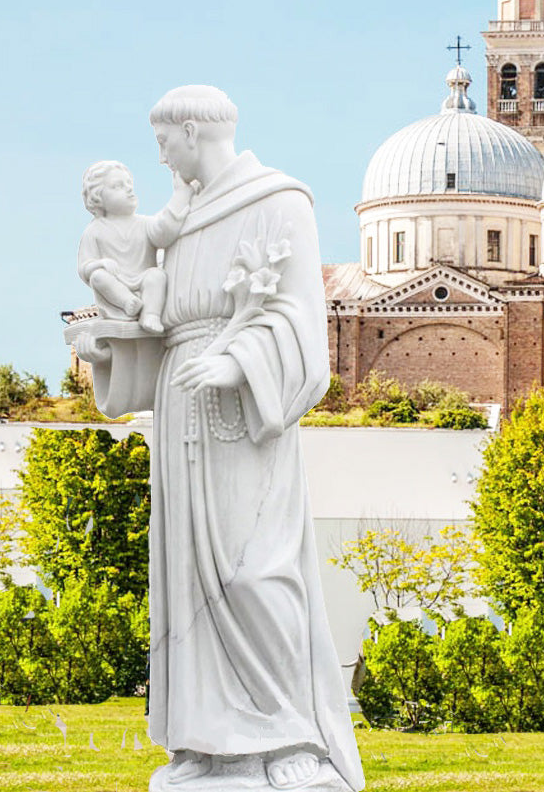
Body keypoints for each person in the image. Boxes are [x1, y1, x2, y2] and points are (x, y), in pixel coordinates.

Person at [78, 86, 365, 792]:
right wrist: (107, 346)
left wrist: (239, 360)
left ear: (192, 130)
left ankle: (290, 735)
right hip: (181, 409)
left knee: (254, 571)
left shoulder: (278, 201)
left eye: (162, 142)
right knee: (187, 585)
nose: (159, 158)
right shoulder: (179, 221)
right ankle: (209, 745)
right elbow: (161, 324)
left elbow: (303, 323)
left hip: (245, 409)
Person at [78, 160, 192, 333]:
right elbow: (84, 268)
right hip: (116, 284)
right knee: (98, 277)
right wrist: (100, 264)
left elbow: (164, 233)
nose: (129, 189)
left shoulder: (145, 224)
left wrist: (180, 197)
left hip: (142, 279)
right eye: (118, 186)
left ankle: (150, 314)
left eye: (129, 184)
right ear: (98, 198)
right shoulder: (94, 230)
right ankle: (127, 302)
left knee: (157, 275)